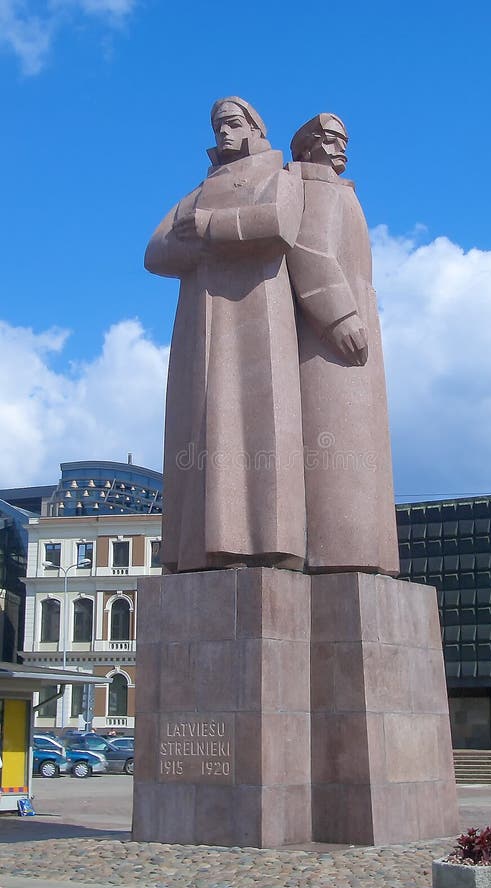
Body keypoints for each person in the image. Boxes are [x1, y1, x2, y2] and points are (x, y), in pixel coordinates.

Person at [145, 98, 307, 573]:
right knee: (202, 428)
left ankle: (265, 542)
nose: (223, 133)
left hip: (258, 310)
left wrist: (211, 228)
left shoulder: (279, 174)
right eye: (217, 126)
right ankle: (201, 548)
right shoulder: (199, 189)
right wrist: (204, 241)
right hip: (201, 317)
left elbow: (279, 223)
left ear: (255, 127)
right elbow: (155, 251)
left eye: (232, 123)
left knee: (260, 421)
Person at [286, 114, 399, 573]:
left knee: (363, 449)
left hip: (357, 336)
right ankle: (340, 555)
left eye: (344, 140)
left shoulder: (341, 191)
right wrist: (340, 316)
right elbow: (308, 250)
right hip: (329, 341)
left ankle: (365, 555)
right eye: (330, 139)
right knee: (338, 447)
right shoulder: (313, 187)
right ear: (309, 146)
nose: (340, 148)